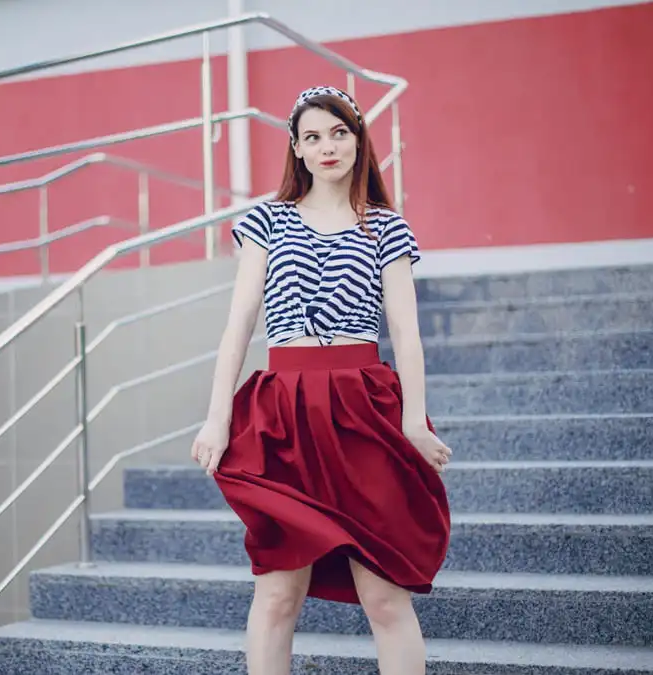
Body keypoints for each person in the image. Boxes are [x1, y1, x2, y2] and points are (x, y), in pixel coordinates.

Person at [190, 85, 452, 675]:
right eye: (312, 136)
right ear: (297, 150)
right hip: (283, 415)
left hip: (364, 411)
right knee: (278, 593)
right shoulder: (267, 220)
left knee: (385, 597)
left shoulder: (387, 227)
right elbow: (238, 327)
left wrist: (413, 418)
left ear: (358, 142)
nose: (327, 146)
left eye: (338, 133)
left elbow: (406, 336)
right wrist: (217, 416)